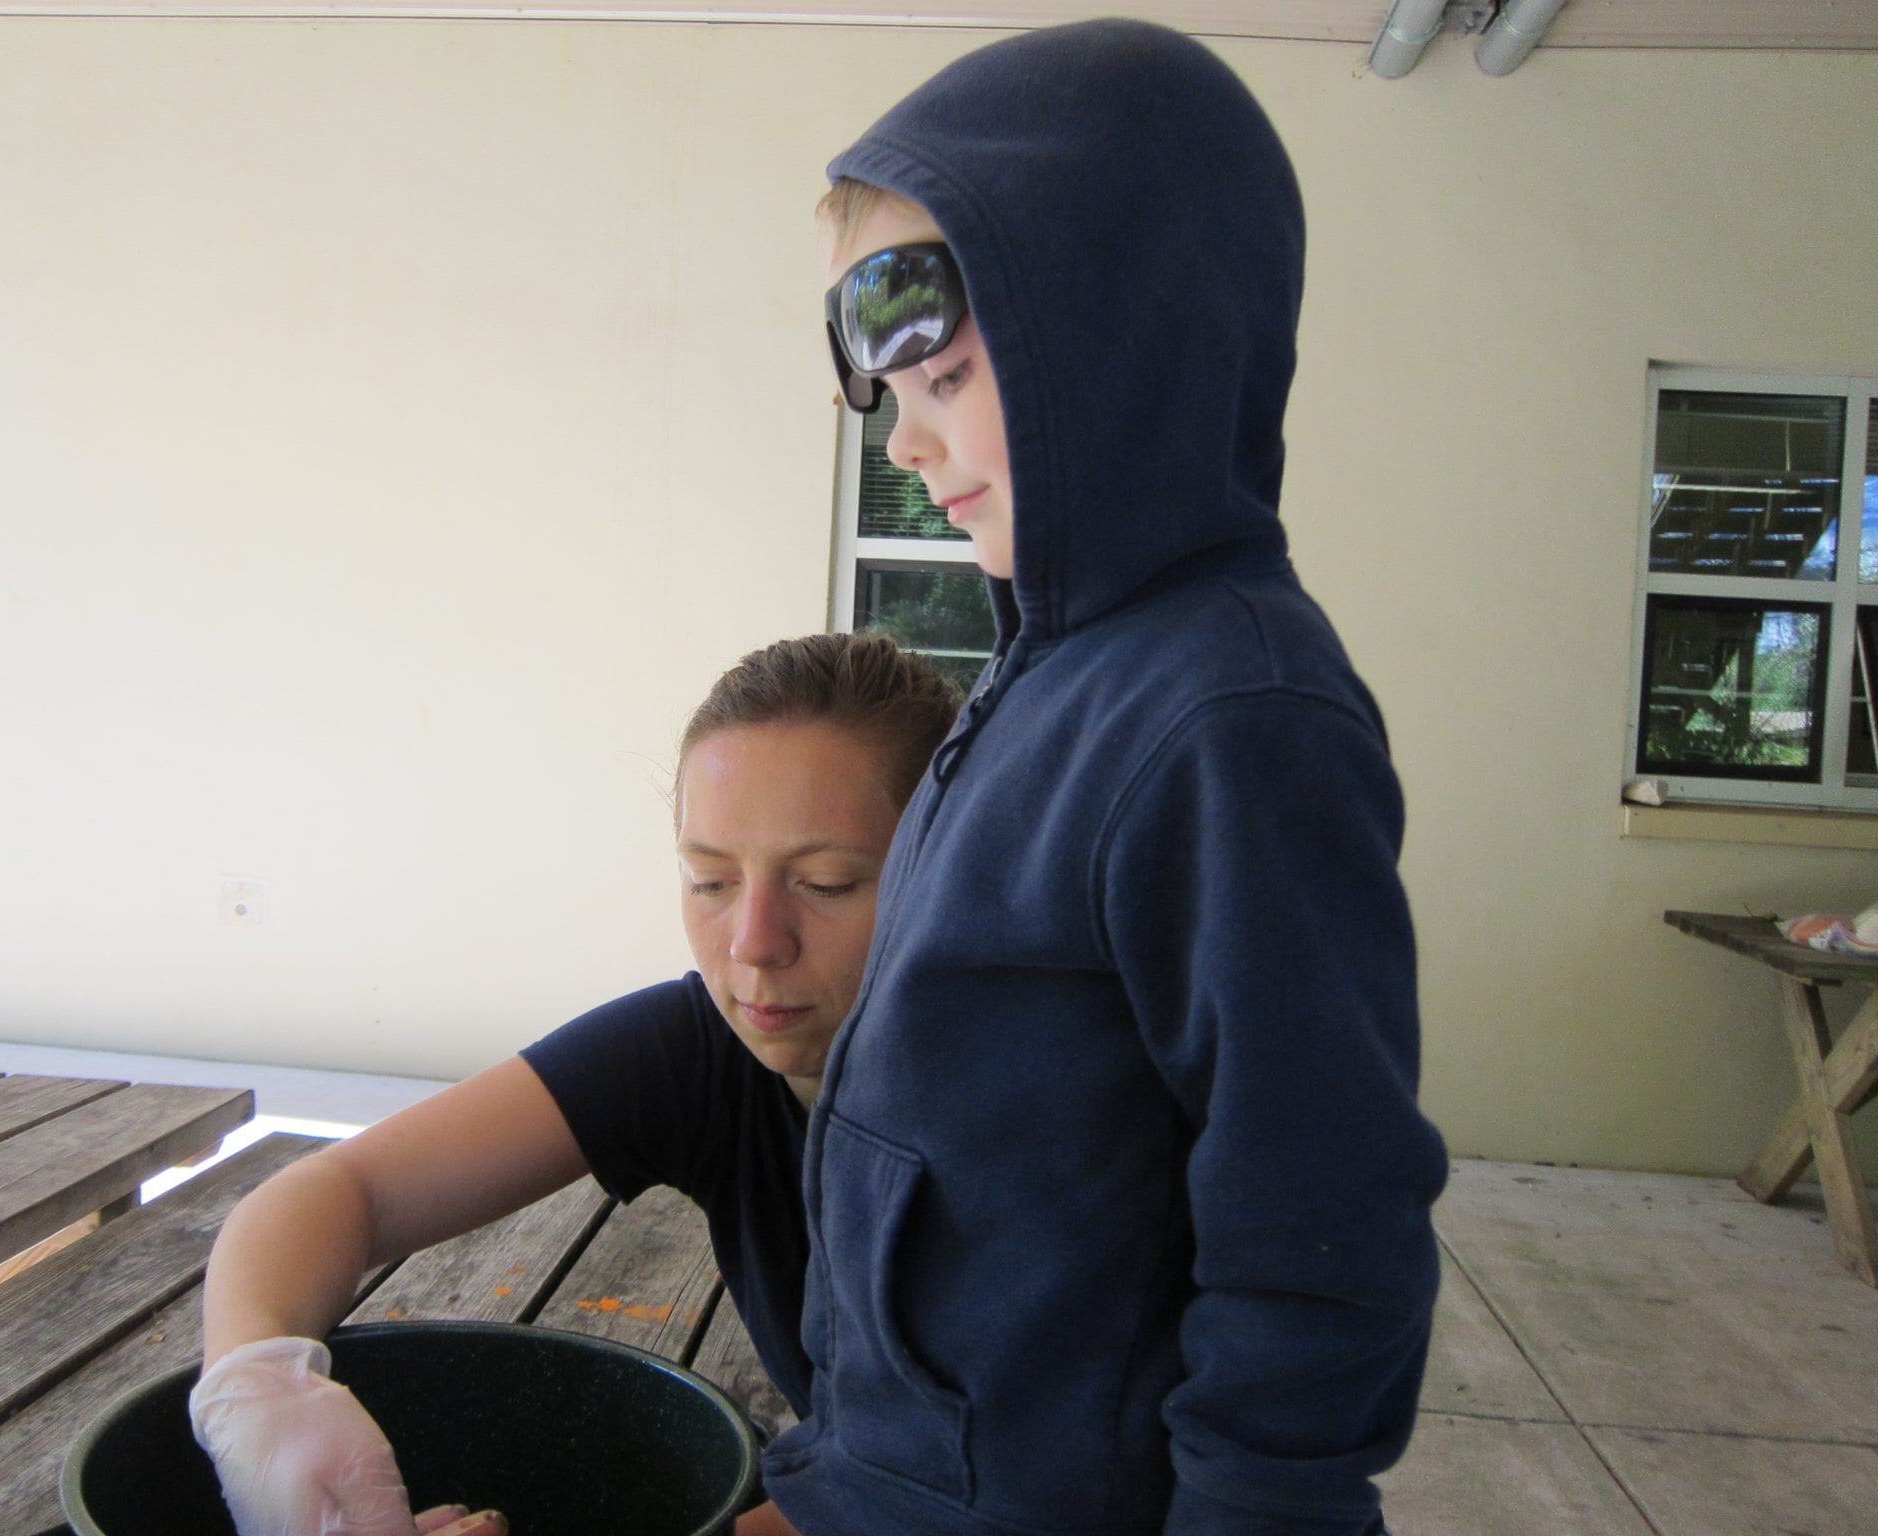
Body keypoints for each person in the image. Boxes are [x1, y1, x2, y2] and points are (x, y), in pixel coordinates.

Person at [757, 19, 1450, 1536]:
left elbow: (1314, 1219)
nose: (907, 444)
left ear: (1126, 333)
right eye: (887, 395)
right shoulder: (1048, 681)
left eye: (945, 372)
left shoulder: (1232, 718)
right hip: (897, 1479)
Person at [188, 631, 962, 1536]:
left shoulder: (1022, 1109)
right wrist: (262, 1395)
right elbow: (341, 1190)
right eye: (710, 879)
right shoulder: (704, 1049)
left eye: (826, 883)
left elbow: (935, 1502)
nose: (754, 942)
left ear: (947, 871)